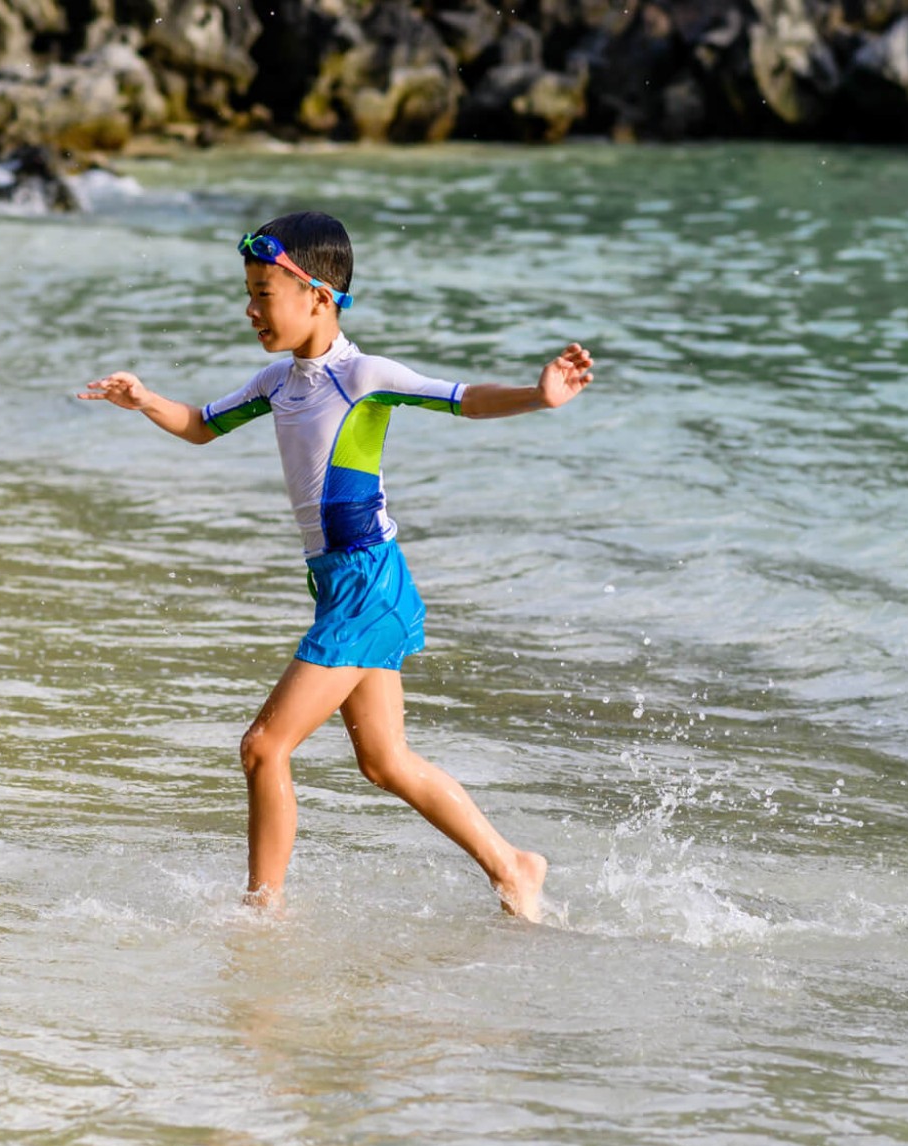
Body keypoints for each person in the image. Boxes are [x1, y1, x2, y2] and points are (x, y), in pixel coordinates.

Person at [79, 211, 592, 921]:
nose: (251, 308)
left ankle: (262, 913)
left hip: (368, 582)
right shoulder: (277, 383)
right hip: (338, 587)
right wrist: (142, 400)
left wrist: (539, 395)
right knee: (384, 762)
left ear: (319, 296)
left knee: (263, 747)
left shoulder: (364, 376)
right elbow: (200, 424)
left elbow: (462, 400)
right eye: (250, 292)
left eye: (265, 292)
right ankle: (514, 867)